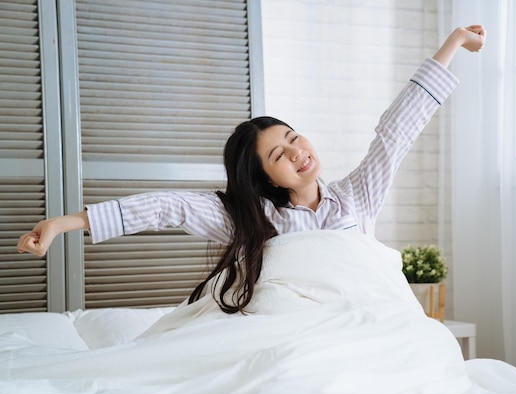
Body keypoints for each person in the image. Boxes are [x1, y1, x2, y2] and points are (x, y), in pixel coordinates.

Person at [17, 25, 486, 314]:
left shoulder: (357, 196)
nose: (298, 152)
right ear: (265, 178)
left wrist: (453, 43)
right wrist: (62, 223)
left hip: (363, 321)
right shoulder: (256, 217)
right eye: (280, 155)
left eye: (293, 136)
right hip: (291, 329)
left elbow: (397, 131)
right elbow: (170, 208)